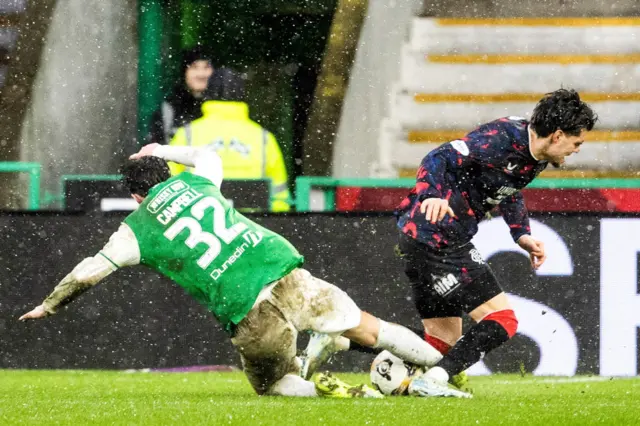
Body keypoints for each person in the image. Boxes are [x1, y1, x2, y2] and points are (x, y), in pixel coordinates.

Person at [19, 143, 445, 398]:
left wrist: (49, 306)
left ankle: (332, 381)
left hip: (246, 307)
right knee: (367, 328)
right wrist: (161, 150)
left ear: (134, 195)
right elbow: (207, 154)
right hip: (281, 267)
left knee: (275, 386)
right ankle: (444, 370)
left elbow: (88, 272)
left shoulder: (134, 231)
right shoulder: (200, 181)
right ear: (167, 172)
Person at [301, 89, 597, 397]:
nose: (576, 150)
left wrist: (520, 233)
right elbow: (439, 157)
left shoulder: (534, 154)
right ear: (558, 134)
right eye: (577, 143)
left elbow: (509, 188)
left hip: (423, 237)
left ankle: (341, 336)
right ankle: (433, 381)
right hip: (438, 237)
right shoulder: (502, 138)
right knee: (502, 320)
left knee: (439, 346)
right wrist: (432, 193)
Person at [168, 97, 292, 212]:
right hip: (251, 224)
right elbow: (279, 194)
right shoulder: (264, 137)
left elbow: (170, 183)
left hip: (201, 221)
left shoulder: (187, 133)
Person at [147, 47, 214, 145]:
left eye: (206, 67)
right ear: (184, 72)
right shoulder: (170, 108)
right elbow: (156, 148)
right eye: (194, 67)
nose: (201, 74)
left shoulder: (221, 106)